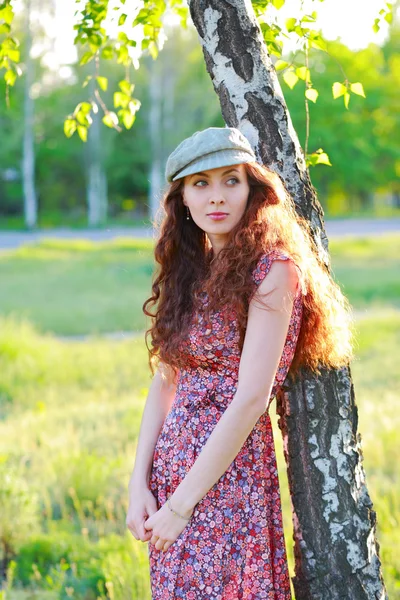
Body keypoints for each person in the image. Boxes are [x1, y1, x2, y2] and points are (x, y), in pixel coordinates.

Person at [126, 127, 353, 599]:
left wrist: (182, 506)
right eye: (201, 184)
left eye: (231, 180)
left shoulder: (273, 270)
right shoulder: (191, 270)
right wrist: (139, 484)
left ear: (253, 189)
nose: (217, 197)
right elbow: (166, 381)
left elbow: (251, 397)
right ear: (182, 198)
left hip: (228, 480)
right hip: (170, 476)